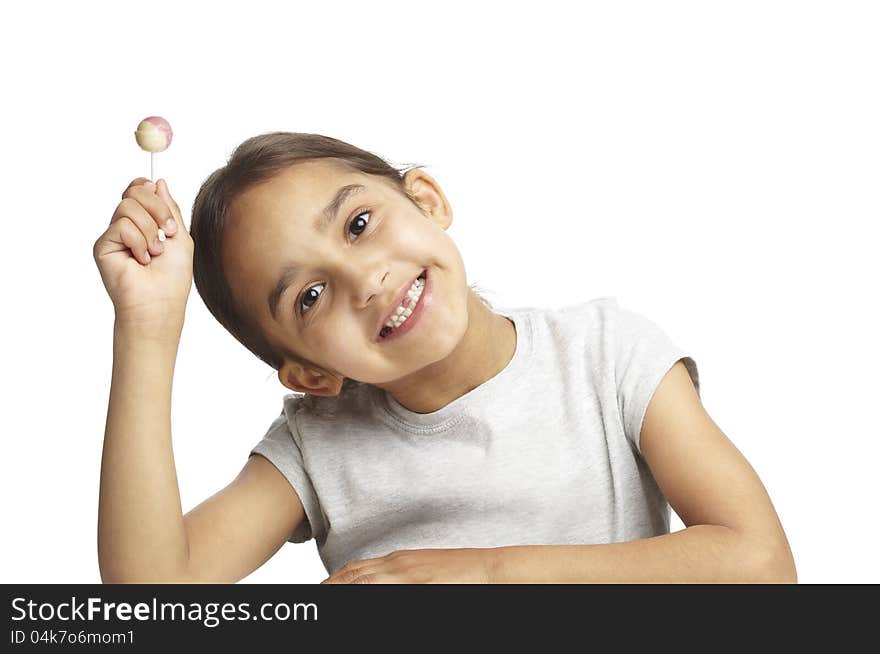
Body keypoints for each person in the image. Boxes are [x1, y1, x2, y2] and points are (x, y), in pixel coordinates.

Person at [94, 132, 796, 583]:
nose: (366, 279)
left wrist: (487, 574)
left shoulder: (606, 356)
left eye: (359, 224)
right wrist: (147, 328)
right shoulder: (318, 446)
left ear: (427, 200)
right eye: (309, 297)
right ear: (311, 372)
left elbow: (761, 564)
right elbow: (149, 603)